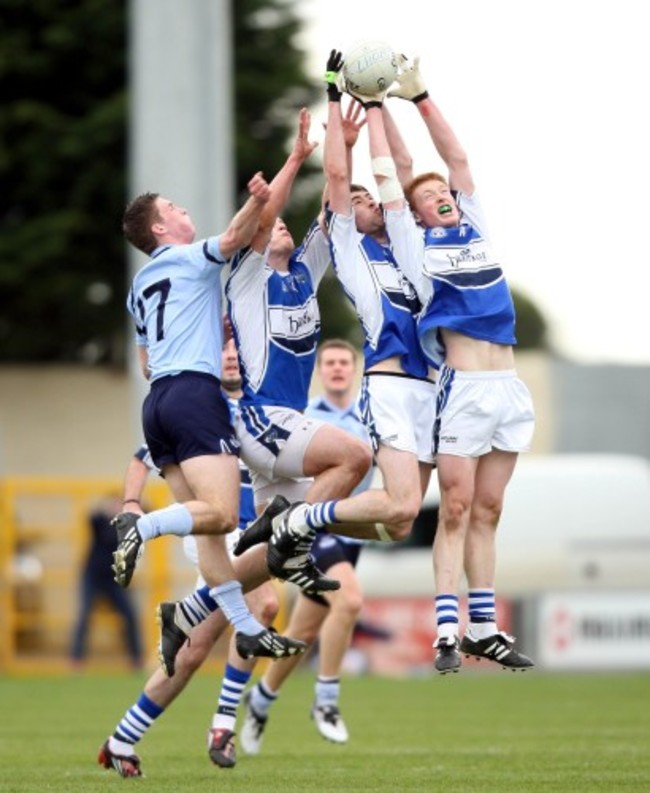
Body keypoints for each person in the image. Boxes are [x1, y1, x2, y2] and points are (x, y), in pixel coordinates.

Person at [236, 54, 437, 603]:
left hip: (289, 424)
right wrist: (323, 118)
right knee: (353, 459)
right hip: (259, 419)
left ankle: (200, 603)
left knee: (389, 518)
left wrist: (345, 139)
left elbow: (350, 189)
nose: (280, 227)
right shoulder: (249, 278)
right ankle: (293, 531)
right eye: (271, 225)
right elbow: (332, 190)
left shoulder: (307, 268)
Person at [365, 55, 536, 673]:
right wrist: (378, 108)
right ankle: (446, 629)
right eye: (427, 196)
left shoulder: (476, 225)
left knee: (490, 511)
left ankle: (483, 627)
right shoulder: (415, 242)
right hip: (462, 388)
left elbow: (456, 161)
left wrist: (423, 97)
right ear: (414, 215)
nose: (438, 195)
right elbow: (396, 173)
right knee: (457, 508)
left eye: (442, 193)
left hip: (510, 389)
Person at [113, 171, 305, 664]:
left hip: (156, 403)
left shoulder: (139, 284)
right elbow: (237, 236)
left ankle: (243, 627)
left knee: (210, 534)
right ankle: (143, 527)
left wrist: (196, 329)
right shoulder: (186, 256)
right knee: (220, 514)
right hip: (194, 396)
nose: (180, 210)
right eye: (172, 207)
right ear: (159, 229)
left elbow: (145, 363)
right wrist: (257, 200)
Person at [98, 339, 280, 776]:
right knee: (265, 604)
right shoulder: (201, 405)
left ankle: (121, 740)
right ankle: (221, 725)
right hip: (214, 532)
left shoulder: (263, 406)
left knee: (194, 649)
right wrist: (130, 502)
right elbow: (141, 459)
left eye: (239, 349)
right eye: (225, 350)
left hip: (246, 531)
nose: (233, 356)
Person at [240, 339, 373, 751]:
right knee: (349, 601)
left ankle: (261, 699)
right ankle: (327, 701)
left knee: (304, 631)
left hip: (350, 533)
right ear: (320, 370)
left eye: (343, 362)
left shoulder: (372, 415)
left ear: (353, 370)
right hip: (313, 526)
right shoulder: (305, 417)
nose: (336, 368)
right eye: (329, 362)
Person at [69, 494, 143, 671]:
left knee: (130, 616)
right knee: (84, 616)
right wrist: (107, 509)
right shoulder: (99, 521)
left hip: (115, 579)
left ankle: (136, 659)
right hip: (92, 577)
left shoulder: (127, 527)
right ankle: (76, 659)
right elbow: (92, 516)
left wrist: (133, 505)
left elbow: (148, 512)